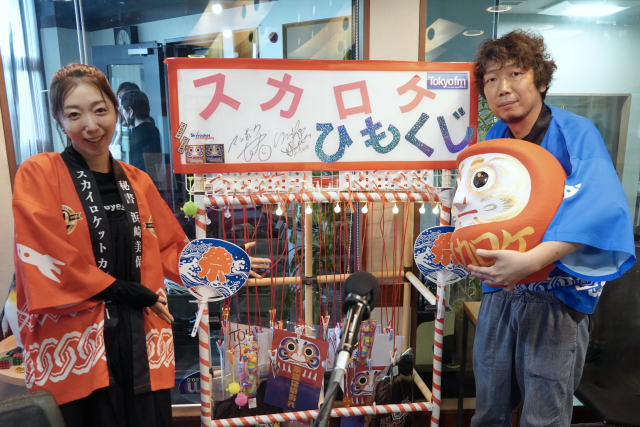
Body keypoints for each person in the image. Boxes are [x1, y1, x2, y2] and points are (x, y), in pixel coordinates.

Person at [12, 64, 270, 427]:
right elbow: (44, 254)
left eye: (100, 110)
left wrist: (226, 262)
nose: (91, 125)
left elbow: (168, 247)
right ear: (58, 121)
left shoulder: (137, 181)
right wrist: (125, 290)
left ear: (117, 111)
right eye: (74, 115)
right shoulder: (38, 173)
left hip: (141, 338)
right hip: (77, 344)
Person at [468, 30, 636, 426]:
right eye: (491, 79)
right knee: (489, 409)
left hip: (557, 294)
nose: (502, 87)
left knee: (543, 416)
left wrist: (531, 262)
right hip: (502, 291)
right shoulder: (495, 137)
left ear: (540, 81)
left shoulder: (576, 132)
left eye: (515, 74)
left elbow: (597, 207)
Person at [120, 89, 162, 173]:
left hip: (136, 176)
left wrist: (120, 132)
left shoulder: (132, 134)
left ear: (131, 111)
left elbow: (122, 156)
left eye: (123, 110)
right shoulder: (154, 130)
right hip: (152, 176)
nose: (123, 114)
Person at [110, 82, 140, 160]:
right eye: (118, 97)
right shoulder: (118, 122)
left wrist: (119, 135)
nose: (119, 102)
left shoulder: (137, 128)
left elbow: (112, 158)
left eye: (121, 97)